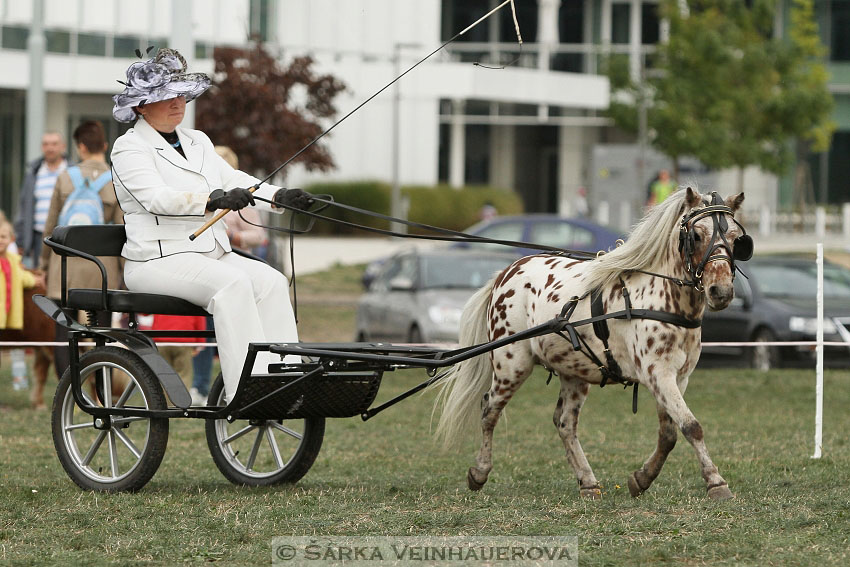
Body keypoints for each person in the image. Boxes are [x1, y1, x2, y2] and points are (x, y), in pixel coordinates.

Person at [109, 48, 313, 403]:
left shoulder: (198, 141)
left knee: (272, 281)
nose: (178, 103)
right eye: (166, 97)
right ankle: (247, 390)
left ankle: (285, 379)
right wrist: (212, 200)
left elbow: (235, 177)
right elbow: (157, 198)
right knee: (233, 285)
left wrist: (279, 196)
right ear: (141, 105)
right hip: (156, 261)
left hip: (210, 254)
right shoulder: (128, 149)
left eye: (181, 95)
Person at [39, 120, 124, 381]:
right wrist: (123, 270)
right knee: (102, 332)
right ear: (105, 146)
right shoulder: (117, 181)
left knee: (63, 332)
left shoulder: (65, 177)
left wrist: (44, 265)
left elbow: (51, 226)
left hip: (64, 265)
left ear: (81, 147)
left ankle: (68, 393)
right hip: (102, 268)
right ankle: (101, 392)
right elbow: (122, 230)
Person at [0, 218, 45, 389]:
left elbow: (22, 277)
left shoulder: (14, 261)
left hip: (7, 315)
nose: (0, 240)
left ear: (11, 239)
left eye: (3, 236)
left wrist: (35, 280)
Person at [13, 132, 68, 268]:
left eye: (54, 144)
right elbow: (24, 207)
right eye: (46, 144)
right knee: (40, 278)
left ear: (63, 146)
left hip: (64, 236)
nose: (50, 148)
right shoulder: (34, 173)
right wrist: (21, 241)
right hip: (39, 237)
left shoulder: (71, 171)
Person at [137, 313, 208, 393]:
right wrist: (200, 342)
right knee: (183, 376)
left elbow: (145, 311)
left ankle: (165, 403)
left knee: (163, 376)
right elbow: (200, 318)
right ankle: (181, 403)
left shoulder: (161, 299)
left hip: (162, 339)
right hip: (184, 340)